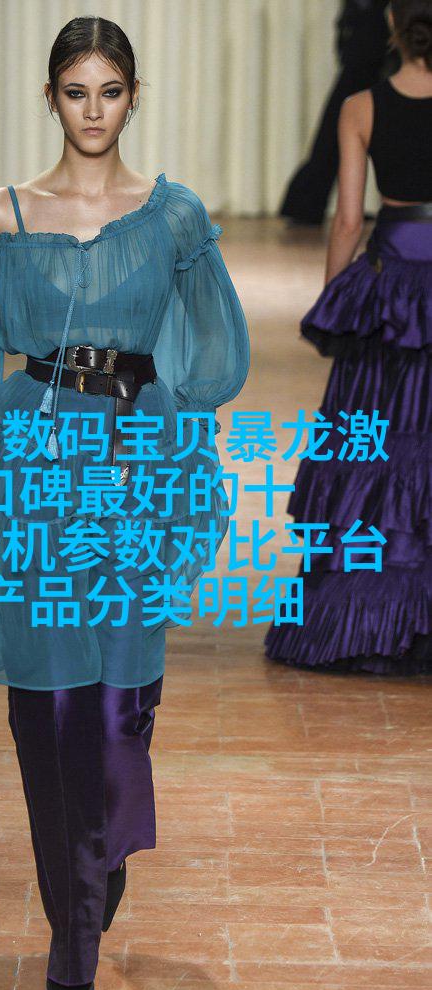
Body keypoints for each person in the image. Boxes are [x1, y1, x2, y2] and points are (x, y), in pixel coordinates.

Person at [0, 16, 249, 990]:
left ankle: (97, 854)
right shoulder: (2, 216)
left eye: (110, 91)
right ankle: (71, 927)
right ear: (50, 97)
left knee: (120, 699)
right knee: (46, 700)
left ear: (133, 96)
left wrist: (174, 428)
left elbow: (214, 351)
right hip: (35, 462)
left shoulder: (174, 217)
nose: (93, 110)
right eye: (76, 91)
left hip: (135, 460)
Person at [265, 0, 431, 673]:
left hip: (392, 285)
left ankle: (361, 623)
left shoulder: (362, 105)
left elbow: (346, 220)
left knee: (374, 441)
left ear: (391, 21)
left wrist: (336, 301)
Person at [280, 0, 392, 225]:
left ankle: (308, 204)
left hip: (367, 51)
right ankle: (306, 204)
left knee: (340, 131)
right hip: (367, 54)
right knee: (338, 131)